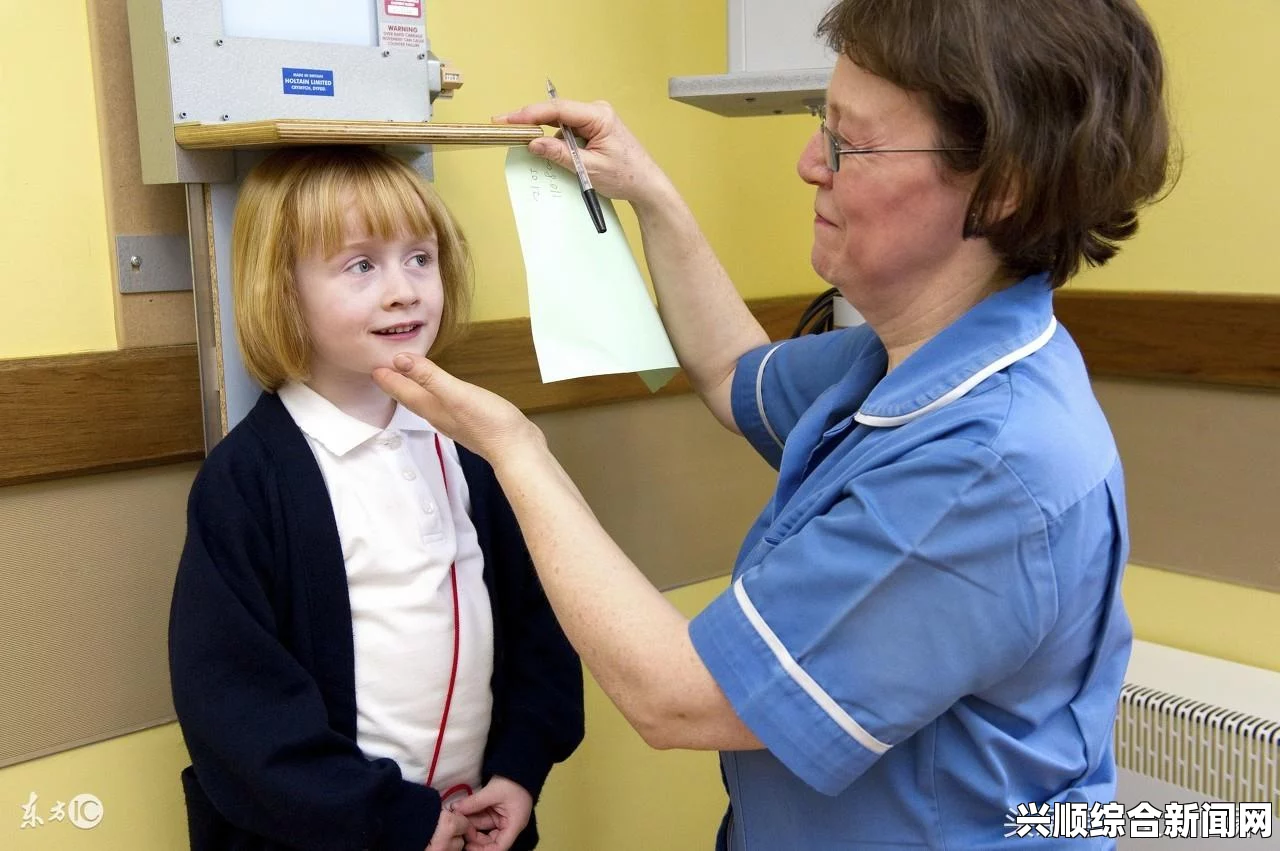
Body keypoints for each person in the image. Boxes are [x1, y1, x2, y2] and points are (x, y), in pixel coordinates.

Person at [374, 0, 1177, 848]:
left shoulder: (986, 469)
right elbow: (732, 374)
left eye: (849, 145)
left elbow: (677, 694)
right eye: (819, 127)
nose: (808, 164)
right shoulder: (910, 355)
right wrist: (648, 193)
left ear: (1003, 188)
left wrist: (513, 446)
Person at [169, 146, 583, 851]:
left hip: (477, 826)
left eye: (419, 258)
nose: (403, 290)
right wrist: (396, 821)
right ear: (283, 289)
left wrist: (519, 770)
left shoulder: (473, 447)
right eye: (361, 265)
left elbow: (539, 623)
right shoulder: (249, 481)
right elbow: (237, 709)